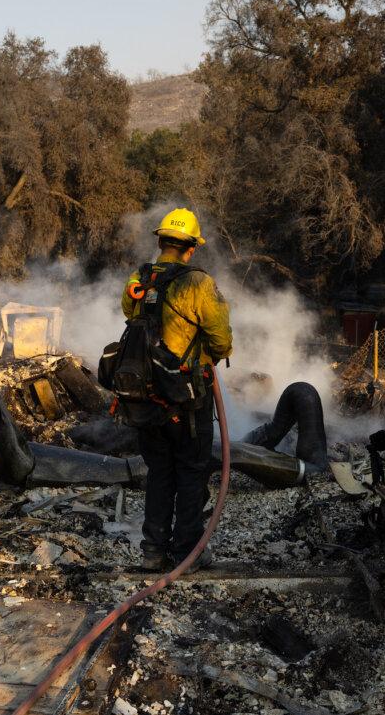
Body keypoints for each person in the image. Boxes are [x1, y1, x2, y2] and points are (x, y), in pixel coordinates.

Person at [121, 208, 232, 572]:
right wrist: (209, 357)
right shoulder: (198, 283)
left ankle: (153, 552)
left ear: (160, 241)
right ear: (190, 248)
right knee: (191, 471)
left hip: (145, 399)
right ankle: (188, 551)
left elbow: (128, 311)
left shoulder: (140, 277)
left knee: (159, 472)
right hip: (187, 399)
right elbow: (220, 338)